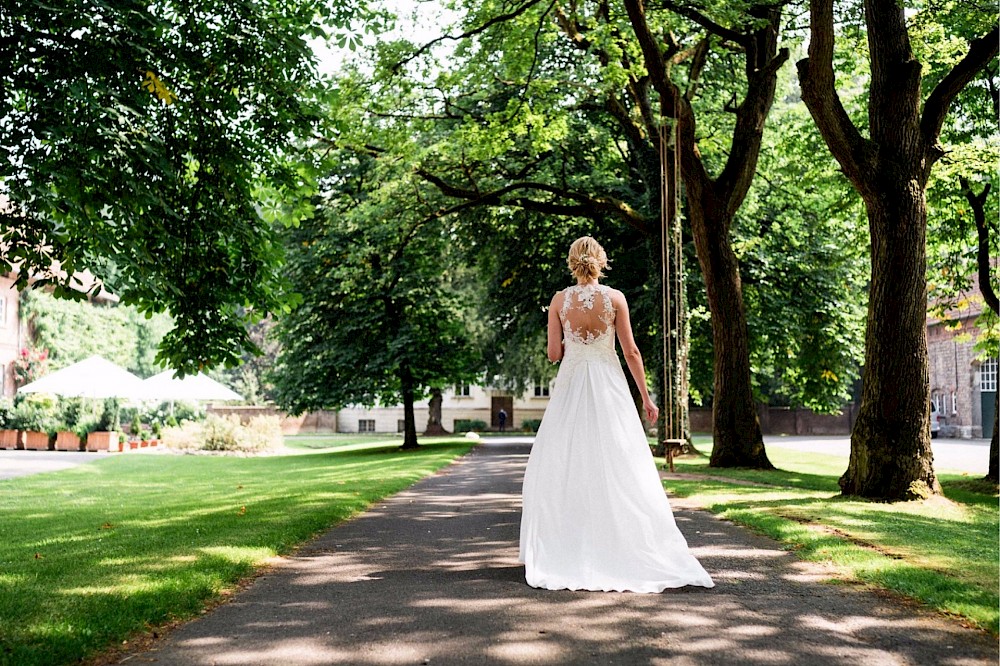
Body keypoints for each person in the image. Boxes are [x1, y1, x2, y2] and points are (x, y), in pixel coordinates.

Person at [519, 236, 714, 592]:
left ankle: (566, 548)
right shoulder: (616, 298)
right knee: (620, 459)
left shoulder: (559, 301)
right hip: (609, 385)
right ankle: (624, 544)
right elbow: (632, 352)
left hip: (572, 386)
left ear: (572, 262)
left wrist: (570, 338)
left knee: (565, 459)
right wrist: (646, 398)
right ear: (601, 261)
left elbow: (552, 354)